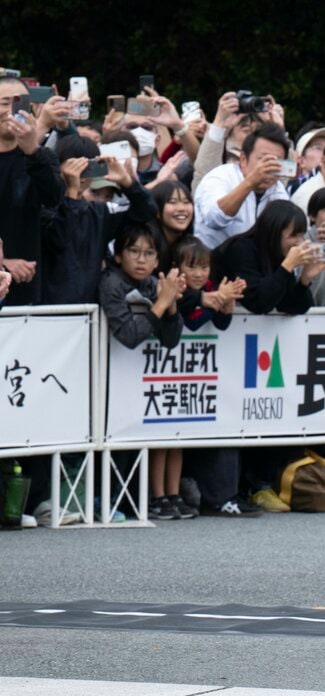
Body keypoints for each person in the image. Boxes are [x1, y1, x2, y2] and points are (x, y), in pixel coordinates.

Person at [99, 222, 185, 521]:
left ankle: (134, 500)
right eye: (133, 251)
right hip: (105, 378)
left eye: (149, 253)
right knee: (113, 439)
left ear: (158, 260)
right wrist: (162, 303)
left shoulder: (152, 283)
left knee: (137, 435)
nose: (141, 259)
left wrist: (171, 305)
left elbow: (172, 340)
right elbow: (130, 336)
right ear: (119, 255)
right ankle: (105, 499)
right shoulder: (111, 283)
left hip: (140, 381)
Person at [42, 139, 157, 305]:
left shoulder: (99, 213)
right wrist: (71, 192)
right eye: (73, 167)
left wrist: (127, 183)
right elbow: (58, 239)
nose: (80, 175)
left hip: (90, 311)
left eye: (87, 168)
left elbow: (147, 212)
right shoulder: (43, 208)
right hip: (46, 311)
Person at [0, 77, 65, 306]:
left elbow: (54, 197)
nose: (10, 111)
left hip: (27, 285)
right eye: (4, 102)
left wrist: (31, 150)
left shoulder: (41, 156)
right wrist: (4, 262)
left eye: (18, 103)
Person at [211, 200, 325, 316]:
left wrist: (304, 281)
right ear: (273, 232)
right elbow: (258, 303)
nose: (299, 242)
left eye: (301, 235)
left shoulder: (278, 255)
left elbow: (291, 306)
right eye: (293, 235)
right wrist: (287, 266)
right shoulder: (240, 249)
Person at [194, 127, 294, 250]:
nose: (269, 167)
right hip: (212, 260)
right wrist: (250, 182)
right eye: (263, 159)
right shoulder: (220, 177)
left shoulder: (278, 190)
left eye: (277, 161)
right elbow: (214, 218)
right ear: (243, 159)